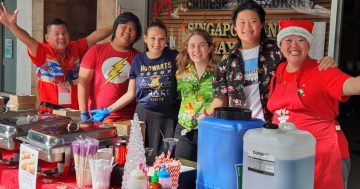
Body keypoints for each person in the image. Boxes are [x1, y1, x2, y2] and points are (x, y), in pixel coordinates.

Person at [206, 0, 336, 124]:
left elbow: (302, 66)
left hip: (275, 125)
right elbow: (220, 97)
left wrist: (325, 63)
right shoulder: (227, 60)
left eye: (252, 21)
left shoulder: (278, 51)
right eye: (242, 22)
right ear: (234, 26)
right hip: (240, 126)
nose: (247, 27)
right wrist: (207, 115)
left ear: (261, 24)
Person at [267, 19, 360, 189]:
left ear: (309, 45)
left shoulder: (323, 70)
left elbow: (352, 85)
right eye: (288, 40)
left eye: (301, 40)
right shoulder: (279, 72)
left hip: (323, 155)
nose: (294, 45)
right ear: (280, 46)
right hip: (288, 154)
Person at [88, 20, 179, 162]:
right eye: (153, 38)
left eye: (161, 39)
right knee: (141, 159)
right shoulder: (138, 60)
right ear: (145, 39)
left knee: (166, 161)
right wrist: (107, 110)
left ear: (166, 40)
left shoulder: (174, 57)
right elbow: (131, 93)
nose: (157, 43)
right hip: (144, 117)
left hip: (168, 117)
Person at [0, 2, 112, 114]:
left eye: (64, 33)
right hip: (50, 112)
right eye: (57, 34)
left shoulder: (75, 47)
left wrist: (116, 26)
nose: (62, 37)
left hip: (75, 111)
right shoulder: (42, 51)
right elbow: (27, 39)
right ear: (47, 37)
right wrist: (12, 25)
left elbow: (94, 37)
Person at [77, 12, 142, 123]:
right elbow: (83, 82)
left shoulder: (139, 58)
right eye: (124, 26)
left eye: (133, 29)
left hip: (126, 119)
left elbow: (133, 92)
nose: (128, 31)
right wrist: (83, 113)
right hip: (96, 116)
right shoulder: (96, 50)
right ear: (115, 28)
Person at [174, 29, 216, 162]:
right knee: (183, 173)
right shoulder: (181, 73)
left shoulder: (218, 73)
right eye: (192, 46)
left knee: (207, 172)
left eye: (202, 45)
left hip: (210, 130)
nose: (196, 50)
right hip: (184, 131)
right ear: (187, 48)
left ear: (210, 48)